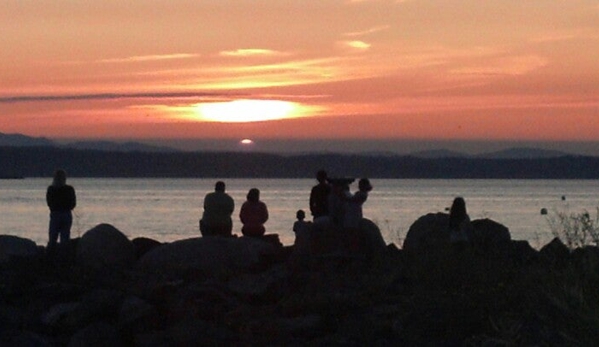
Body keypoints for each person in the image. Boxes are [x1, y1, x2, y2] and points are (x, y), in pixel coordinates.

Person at [46, 169, 76, 254]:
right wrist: (67, 207)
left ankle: (50, 257)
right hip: (66, 214)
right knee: (65, 238)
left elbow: (49, 203)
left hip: (55, 214)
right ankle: (64, 258)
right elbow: (73, 203)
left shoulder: (51, 189)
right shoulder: (69, 189)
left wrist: (55, 208)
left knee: (52, 238)